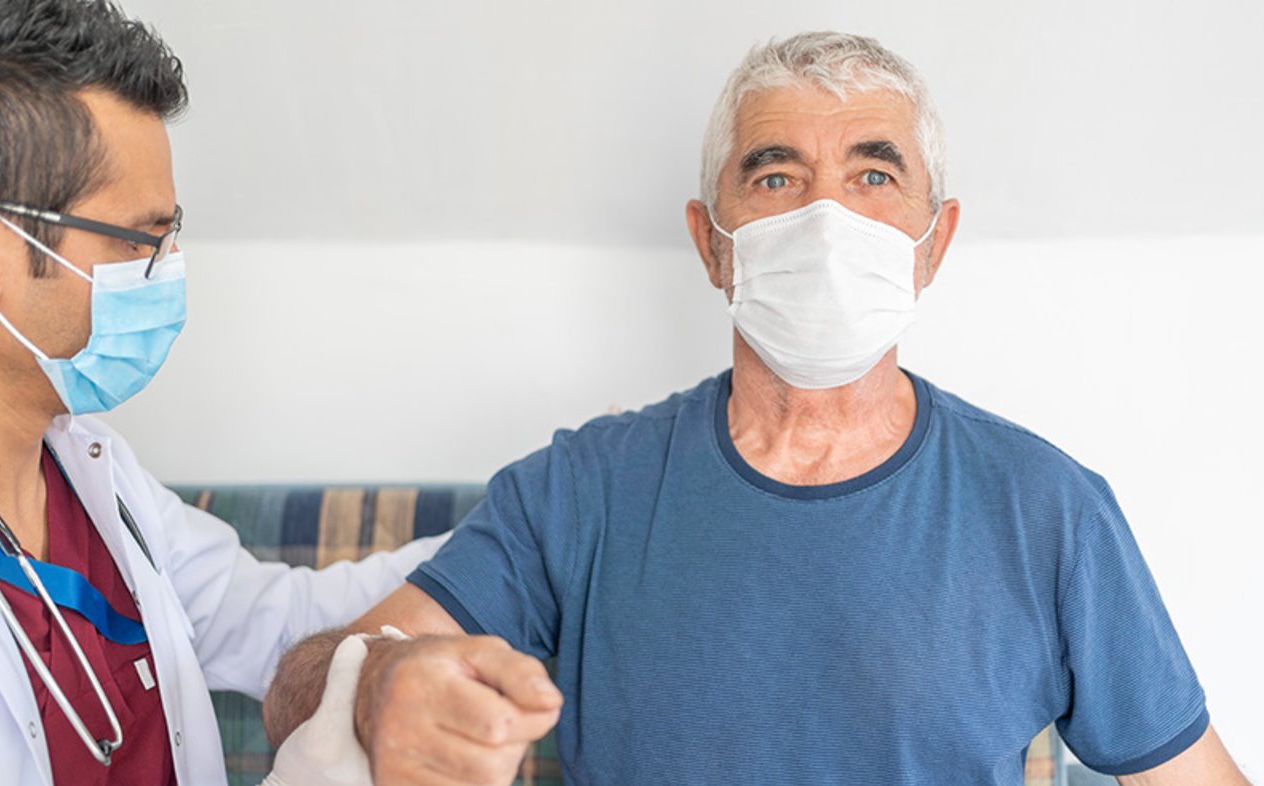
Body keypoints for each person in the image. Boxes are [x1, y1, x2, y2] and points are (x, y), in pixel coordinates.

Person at [263, 32, 1252, 786]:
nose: (827, 219)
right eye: (776, 176)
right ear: (712, 243)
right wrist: (378, 684)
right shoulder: (582, 490)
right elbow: (295, 689)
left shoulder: (1047, 510)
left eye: (873, 174)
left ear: (932, 241)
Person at [0, 1, 443, 783]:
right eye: (139, 241)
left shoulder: (91, 474)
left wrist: (537, 518)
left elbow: (284, 625)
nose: (167, 270)